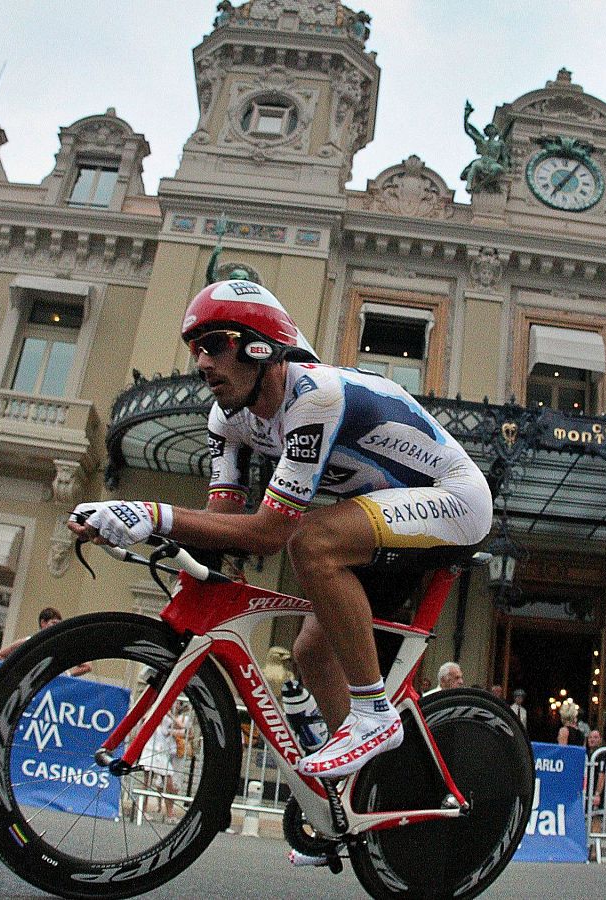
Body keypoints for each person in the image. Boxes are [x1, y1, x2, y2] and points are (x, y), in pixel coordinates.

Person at [69, 280, 492, 780]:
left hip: (455, 499)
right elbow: (222, 523)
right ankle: (367, 793)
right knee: (311, 653)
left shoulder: (314, 395)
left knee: (310, 541)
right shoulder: (227, 419)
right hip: (384, 516)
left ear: (259, 345)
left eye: (213, 344)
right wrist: (136, 529)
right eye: (194, 348)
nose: (201, 362)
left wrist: (152, 514)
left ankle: (374, 715)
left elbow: (270, 532)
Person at [0, 607, 91, 675]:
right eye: (54, 623)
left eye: (59, 624)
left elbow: (87, 666)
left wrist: (68, 674)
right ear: (43, 623)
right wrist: (16, 673)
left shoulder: (62, 646)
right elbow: (0, 655)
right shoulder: (28, 642)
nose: (57, 627)